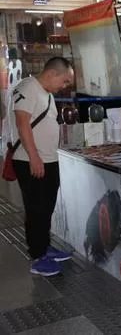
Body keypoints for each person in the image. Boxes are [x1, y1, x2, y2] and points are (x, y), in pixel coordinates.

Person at [9, 57, 74, 276]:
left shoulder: (46, 93)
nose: (64, 86)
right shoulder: (29, 87)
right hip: (31, 160)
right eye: (64, 81)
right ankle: (37, 257)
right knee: (36, 209)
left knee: (46, 208)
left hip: (47, 159)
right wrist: (34, 157)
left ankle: (44, 247)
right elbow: (22, 123)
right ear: (51, 74)